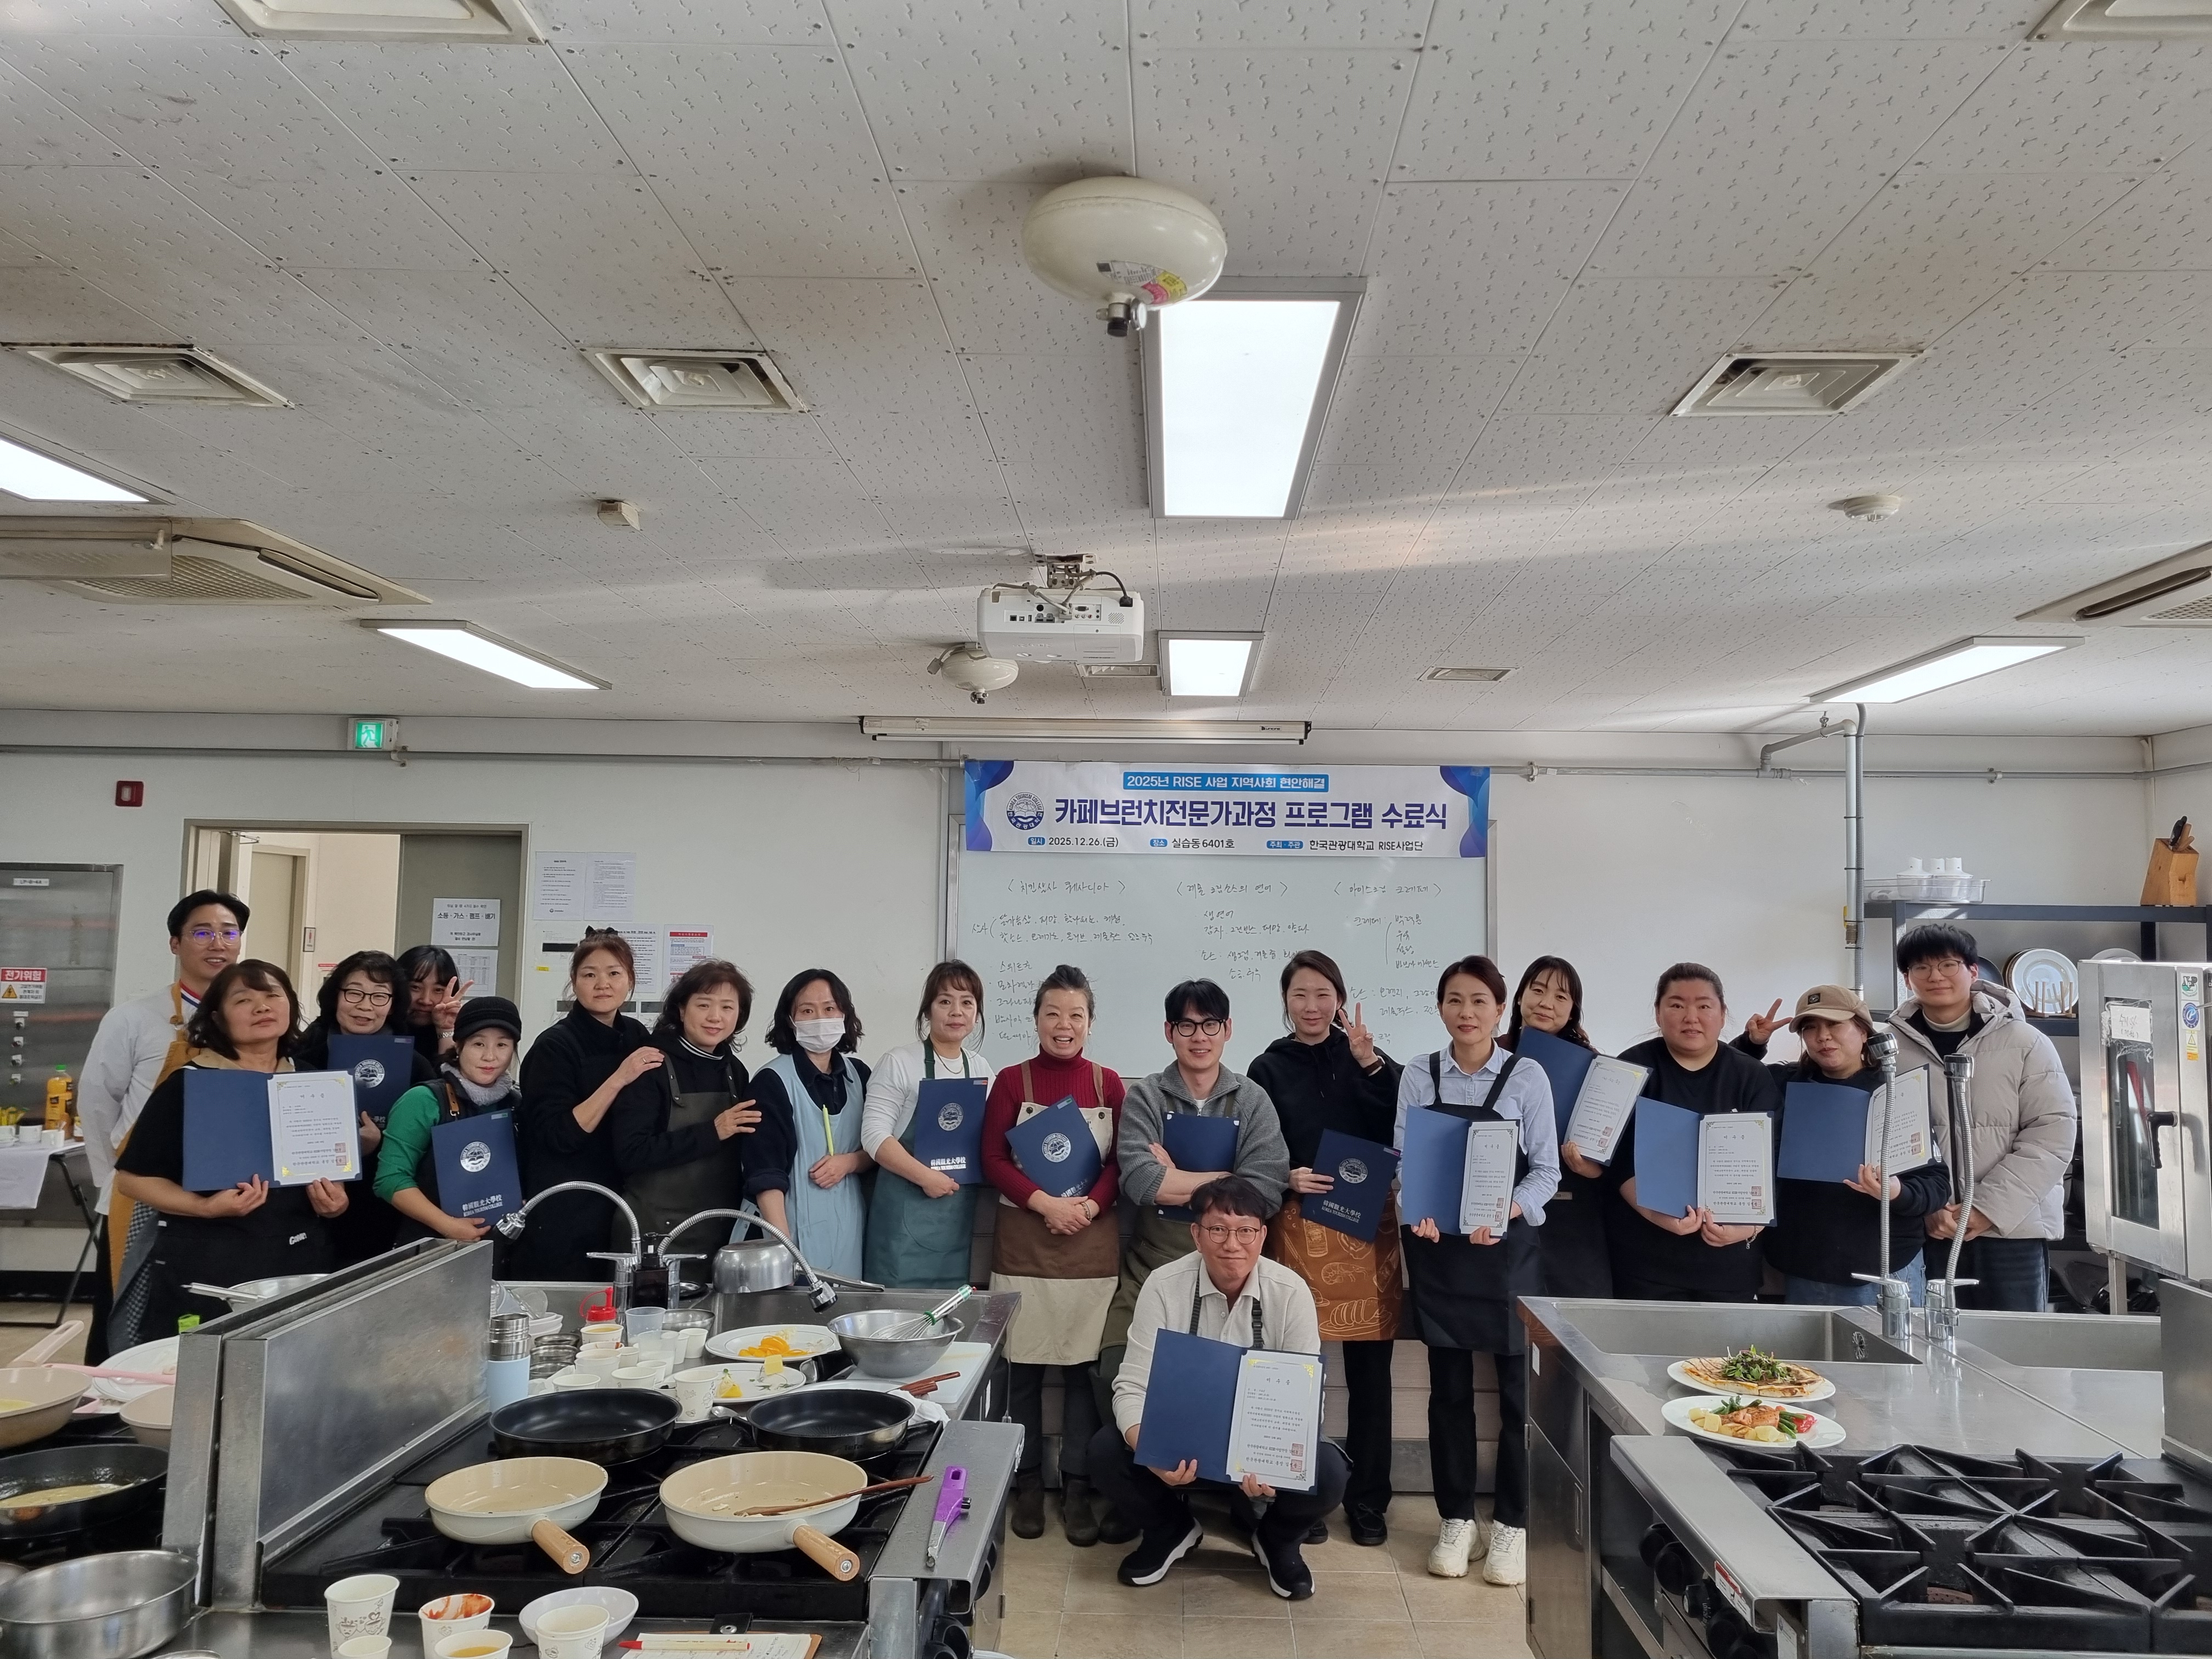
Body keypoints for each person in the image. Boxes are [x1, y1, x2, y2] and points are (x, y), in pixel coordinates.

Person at [1093, 1174, 1347, 1602]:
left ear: (1262, 1236)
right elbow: (1132, 1385)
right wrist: (1150, 1452)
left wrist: (1273, 1466)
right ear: (1196, 1234)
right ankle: (1170, 1530)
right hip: (1183, 1439)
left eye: (1246, 1231)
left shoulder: (1291, 1293)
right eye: (1218, 1229)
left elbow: (1306, 1401)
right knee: (1106, 1452)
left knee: (1329, 1471)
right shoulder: (1164, 1285)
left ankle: (1277, 1541)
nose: (1232, 1244)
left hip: (1261, 1443)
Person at [1396, 955, 1558, 1588]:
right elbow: (1405, 1161)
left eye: (1479, 1002)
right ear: (1440, 1007)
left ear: (1499, 1010)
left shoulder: (1527, 1075)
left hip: (1506, 1253)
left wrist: (1507, 1209)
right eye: (1455, 1000)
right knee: (1449, 1396)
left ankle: (1513, 1523)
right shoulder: (1420, 1073)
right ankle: (1456, 1519)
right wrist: (1418, 1207)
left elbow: (1546, 1171)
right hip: (1439, 1250)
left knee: (1518, 1398)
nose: (1466, 1013)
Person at [1248, 949, 1403, 1547]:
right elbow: (1256, 1148)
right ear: (1285, 1002)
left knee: (1371, 1375)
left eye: (1322, 994)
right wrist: (1286, 1174)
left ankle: (1368, 1501)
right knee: (1296, 1368)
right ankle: (1300, 1497)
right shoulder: (1267, 1066)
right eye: (1300, 995)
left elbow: (1400, 1125)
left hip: (1367, 1230)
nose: (1311, 1006)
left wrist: (1369, 1063)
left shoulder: (1369, 1058)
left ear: (1340, 998)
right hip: (1297, 1227)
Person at [112, 960, 349, 1337]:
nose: (262, 1007)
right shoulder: (188, 1085)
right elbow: (132, 1180)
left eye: (273, 996)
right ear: (217, 1018)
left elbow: (332, 1173)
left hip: (298, 1257)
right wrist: (204, 1207)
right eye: (243, 1000)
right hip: (207, 1261)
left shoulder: (314, 1083)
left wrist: (335, 1203)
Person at [979, 965, 1124, 1545]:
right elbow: (993, 1160)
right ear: (1036, 1018)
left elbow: (1119, 1164)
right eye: (1053, 1014)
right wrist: (1044, 1204)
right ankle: (1028, 1486)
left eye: (1076, 1015)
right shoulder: (1011, 1082)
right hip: (1025, 1244)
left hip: (1090, 1246)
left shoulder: (1109, 1084)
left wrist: (1087, 1207)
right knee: (1023, 1372)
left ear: (1091, 1022)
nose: (1064, 1025)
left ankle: (1079, 1488)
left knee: (1084, 1372)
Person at [1102, 980, 1289, 1404]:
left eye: (1210, 1024)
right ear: (1169, 1032)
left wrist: (1177, 1179)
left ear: (1228, 1029)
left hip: (1234, 1274)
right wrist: (1228, 1178)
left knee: (1228, 1390)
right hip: (1152, 1268)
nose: (1199, 1037)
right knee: (1116, 1371)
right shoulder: (1146, 1096)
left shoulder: (1252, 1100)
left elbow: (1265, 1191)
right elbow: (1141, 1181)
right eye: (1186, 1026)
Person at [77, 889, 246, 1359]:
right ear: (175, 943)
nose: (218, 943)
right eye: (202, 933)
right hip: (145, 1191)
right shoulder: (134, 1018)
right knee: (128, 1312)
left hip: (226, 1193)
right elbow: (97, 1102)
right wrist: (115, 1180)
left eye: (229, 932)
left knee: (203, 1311)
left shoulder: (251, 1018)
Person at [1890, 924, 2075, 1312]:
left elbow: (2052, 1134)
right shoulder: (1890, 1049)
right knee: (1929, 1341)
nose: (1936, 976)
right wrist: (1925, 1205)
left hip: (2012, 1230)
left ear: (1973, 971)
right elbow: (1885, 1136)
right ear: (1907, 979)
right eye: (1921, 968)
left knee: (2011, 1343)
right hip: (1928, 1230)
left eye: (1948, 964)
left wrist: (1986, 1210)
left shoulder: (2025, 1042)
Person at [1740, 985, 1949, 1306]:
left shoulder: (1896, 1093)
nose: (1822, 1036)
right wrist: (1751, 1045)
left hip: (1882, 1268)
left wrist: (1896, 1192)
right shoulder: (1783, 1084)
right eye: (1810, 1028)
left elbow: (1936, 1184)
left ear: (1864, 1031)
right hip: (1800, 1268)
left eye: (1834, 1024)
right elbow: (1727, 1078)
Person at [1603, 964, 1781, 1305]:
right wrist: (1657, 1215)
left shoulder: (1751, 1076)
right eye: (1677, 1005)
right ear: (1658, 1013)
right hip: (1644, 1263)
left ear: (1723, 1014)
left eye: (1703, 1005)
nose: (1691, 1017)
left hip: (1729, 1265)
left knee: (1727, 1343)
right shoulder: (1631, 1068)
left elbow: (1773, 1161)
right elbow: (1617, 1160)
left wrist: (1747, 1228)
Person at [515, 930, 658, 1280]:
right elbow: (560, 1134)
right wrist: (619, 1078)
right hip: (567, 1205)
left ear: (630, 980)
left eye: (614, 973)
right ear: (574, 981)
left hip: (622, 1200)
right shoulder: (554, 1047)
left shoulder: (636, 1034)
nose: (602, 984)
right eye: (590, 974)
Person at [294, 949, 441, 1266]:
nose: (365, 1006)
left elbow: (433, 1149)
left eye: (379, 996)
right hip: (316, 1211)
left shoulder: (417, 1067)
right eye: (355, 993)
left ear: (393, 1005)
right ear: (335, 996)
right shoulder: (303, 1061)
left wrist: (379, 1144)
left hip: (392, 1213)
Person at [862, 961, 997, 1290]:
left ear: (977, 1014)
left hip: (955, 1216)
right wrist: (926, 1177)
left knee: (947, 1311)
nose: (956, 1011)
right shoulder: (899, 1062)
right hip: (902, 1217)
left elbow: (995, 1133)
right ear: (928, 1010)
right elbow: (874, 1136)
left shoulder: (981, 1068)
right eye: (945, 1001)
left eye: (967, 1002)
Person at [607, 960, 760, 1239]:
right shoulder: (651, 1064)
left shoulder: (735, 1071)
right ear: (681, 1010)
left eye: (727, 1007)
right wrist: (713, 1131)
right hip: (654, 1232)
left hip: (720, 1230)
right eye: (703, 1005)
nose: (715, 1017)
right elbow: (631, 1153)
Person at [742, 969, 872, 1280]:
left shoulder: (860, 1076)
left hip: (850, 1228)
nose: (820, 1019)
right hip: (789, 1227)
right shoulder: (771, 1082)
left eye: (829, 1009)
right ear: (791, 1020)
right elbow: (765, 1175)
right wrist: (784, 1251)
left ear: (844, 1015)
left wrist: (851, 1162)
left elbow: (880, 1147)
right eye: (807, 1011)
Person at [375, 997, 524, 1245]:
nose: (490, 1056)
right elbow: (390, 1179)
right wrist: (448, 1226)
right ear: (459, 1045)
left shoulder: (516, 1103)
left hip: (502, 1247)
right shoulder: (423, 1100)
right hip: (432, 1246)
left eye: (502, 1045)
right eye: (478, 1044)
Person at [1505, 956, 1611, 1299]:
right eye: (1538, 990)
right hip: (1506, 1201)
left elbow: (1610, 1151)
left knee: (1577, 1309)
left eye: (1561, 996)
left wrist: (1591, 1168)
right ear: (1520, 997)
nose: (1547, 1003)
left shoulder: (1594, 1066)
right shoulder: (1492, 1054)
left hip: (1572, 1209)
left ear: (1573, 1010)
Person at [396, 944, 471, 1069]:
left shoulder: (467, 1037)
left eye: (438, 990)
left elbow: (450, 1079)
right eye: (415, 987)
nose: (426, 1000)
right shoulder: (380, 1030)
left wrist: (445, 1030)